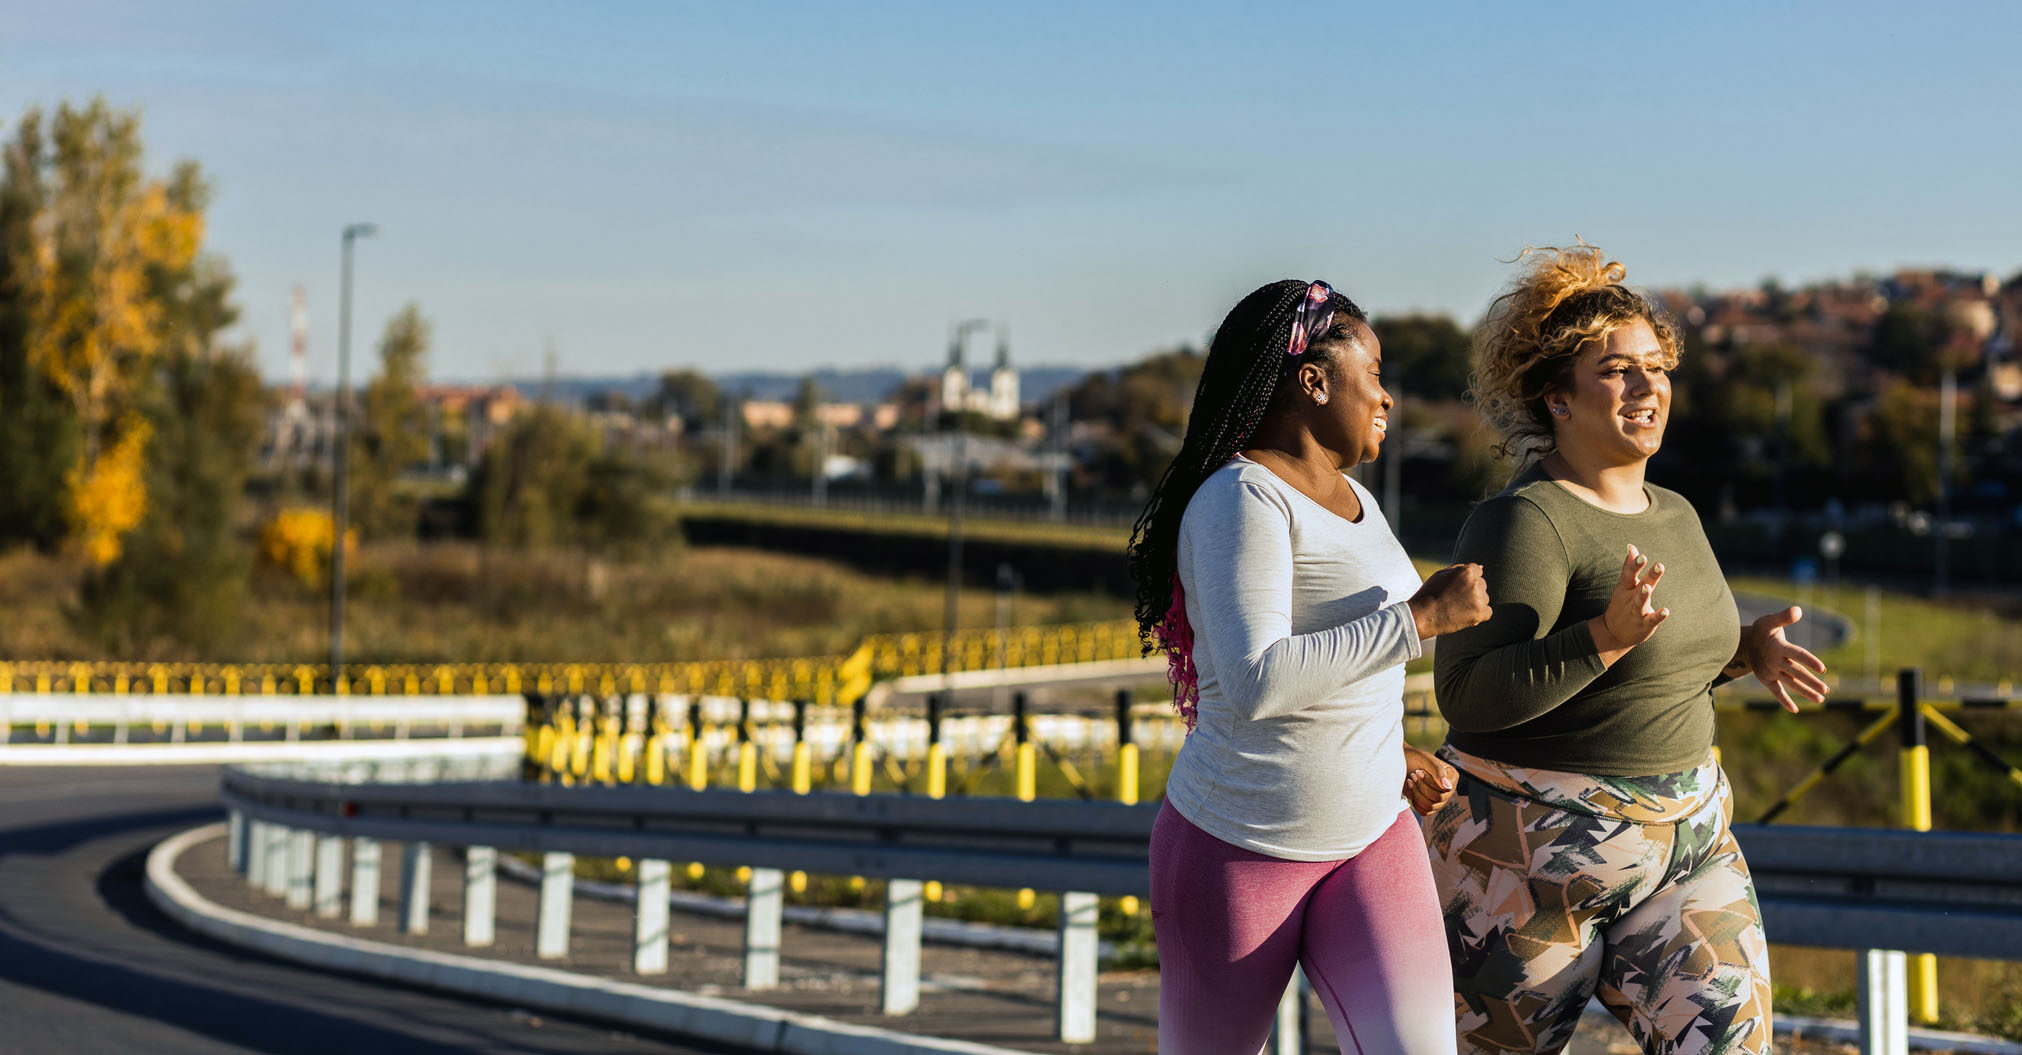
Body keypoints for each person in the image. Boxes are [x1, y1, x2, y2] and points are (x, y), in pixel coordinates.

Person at [1424, 244, 1830, 1054]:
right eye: (1617, 371)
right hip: (1529, 863)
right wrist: (1601, 639)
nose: (1647, 388)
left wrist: (1745, 649)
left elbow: (1657, 662)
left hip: (1687, 843)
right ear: (1558, 398)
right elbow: (1468, 694)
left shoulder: (1675, 510)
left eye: (1656, 367)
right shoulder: (1524, 522)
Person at [1127, 278, 1492, 1053]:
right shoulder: (1240, 499)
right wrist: (1420, 618)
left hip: (1370, 837)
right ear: (1314, 380)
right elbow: (1258, 680)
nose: (1388, 398)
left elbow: (1345, 671)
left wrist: (1387, 752)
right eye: (1375, 374)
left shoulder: (1360, 500)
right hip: (1238, 851)